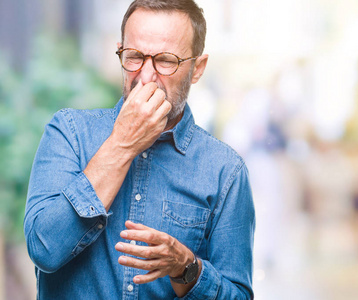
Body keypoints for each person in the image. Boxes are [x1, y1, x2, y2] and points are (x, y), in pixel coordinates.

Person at [24, 0, 255, 299]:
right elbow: (43, 249)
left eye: (166, 60)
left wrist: (188, 268)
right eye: (134, 57)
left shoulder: (226, 171)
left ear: (197, 68)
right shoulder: (69, 132)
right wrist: (121, 143)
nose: (145, 76)